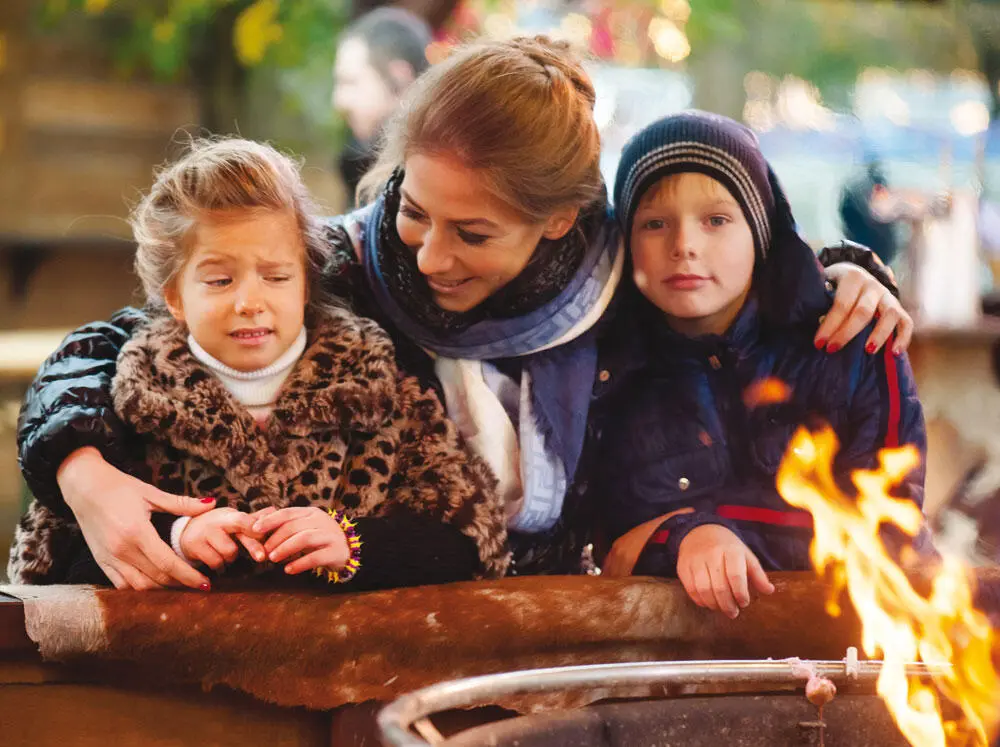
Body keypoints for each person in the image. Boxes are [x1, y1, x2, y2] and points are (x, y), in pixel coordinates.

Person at [15, 37, 913, 591]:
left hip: (550, 623)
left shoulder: (619, 288)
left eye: (473, 232)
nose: (428, 255)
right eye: (413, 209)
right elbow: (117, 341)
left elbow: (739, 281)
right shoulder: (334, 266)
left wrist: (845, 271)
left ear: (559, 219)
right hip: (370, 608)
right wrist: (86, 477)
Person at [8, 138, 507, 589]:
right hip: (166, 687)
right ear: (175, 296)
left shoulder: (387, 392)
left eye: (276, 276)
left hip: (356, 681)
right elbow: (45, 565)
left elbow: (469, 537)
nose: (251, 301)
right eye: (220, 281)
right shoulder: (119, 405)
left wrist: (355, 545)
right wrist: (176, 536)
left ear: (307, 282)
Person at [594, 111, 927, 618]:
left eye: (717, 220)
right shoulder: (608, 375)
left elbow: (889, 531)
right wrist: (685, 537)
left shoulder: (854, 341)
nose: (683, 245)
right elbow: (610, 548)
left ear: (761, 231)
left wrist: (696, 533)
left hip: (859, 644)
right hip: (678, 662)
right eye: (654, 223)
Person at [332, 7, 432, 197]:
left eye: (351, 82)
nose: (339, 101)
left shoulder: (424, 182)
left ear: (399, 79)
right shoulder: (357, 157)